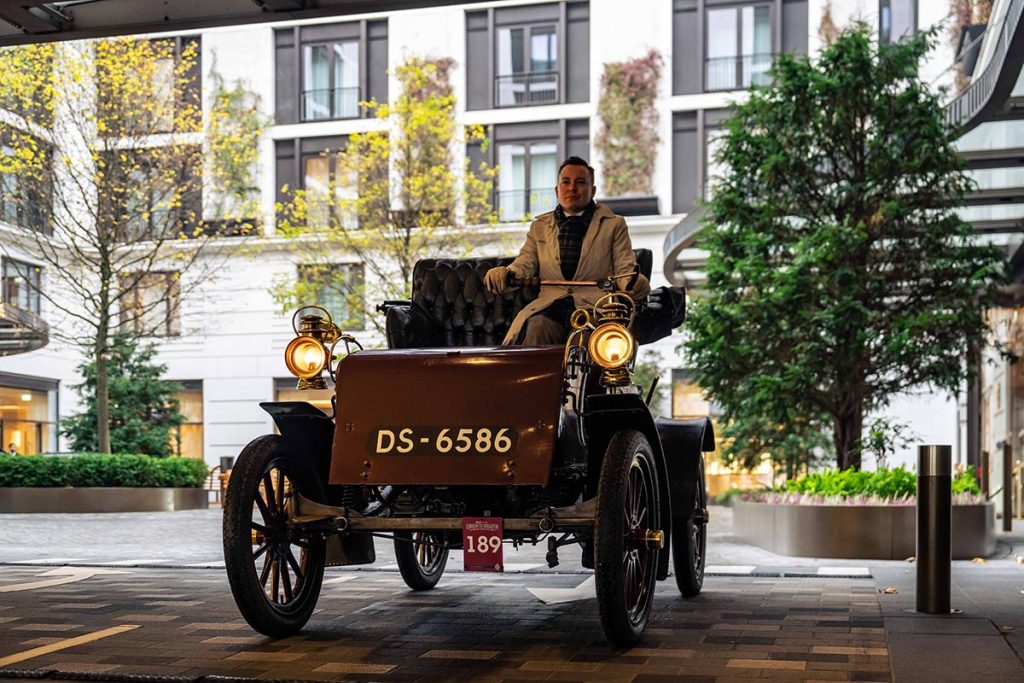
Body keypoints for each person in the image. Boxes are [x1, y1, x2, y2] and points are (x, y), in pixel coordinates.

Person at [484, 156, 650, 345]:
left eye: (580, 182)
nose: (572, 188)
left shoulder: (614, 225)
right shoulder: (539, 227)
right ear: (557, 190)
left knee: (586, 341)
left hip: (595, 309)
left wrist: (633, 283)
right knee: (537, 327)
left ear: (593, 190)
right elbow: (525, 264)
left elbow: (624, 269)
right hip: (550, 306)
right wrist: (506, 273)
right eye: (566, 182)